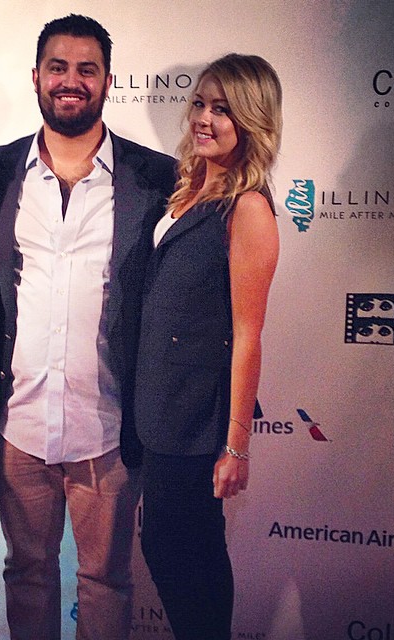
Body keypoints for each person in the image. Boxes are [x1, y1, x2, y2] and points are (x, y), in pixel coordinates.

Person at [0, 14, 177, 640]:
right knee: (27, 572)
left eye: (87, 69)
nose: (71, 80)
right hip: (18, 426)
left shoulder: (156, 176)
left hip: (110, 429)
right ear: (35, 77)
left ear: (108, 81)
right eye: (58, 67)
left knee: (106, 581)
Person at [134, 53, 282, 640]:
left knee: (184, 561)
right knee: (175, 554)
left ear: (252, 121)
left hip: (196, 423)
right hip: (160, 413)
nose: (204, 118)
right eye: (199, 103)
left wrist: (236, 448)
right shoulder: (190, 188)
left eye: (223, 109)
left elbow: (248, 335)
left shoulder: (247, 208)